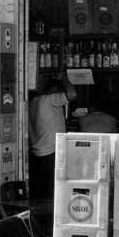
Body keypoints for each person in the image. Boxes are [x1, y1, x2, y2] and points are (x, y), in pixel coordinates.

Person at [28, 72, 77, 200]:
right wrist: (65, 79)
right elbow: (72, 94)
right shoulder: (50, 100)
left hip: (36, 152)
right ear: (55, 90)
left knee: (40, 194)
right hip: (51, 152)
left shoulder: (32, 102)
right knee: (53, 193)